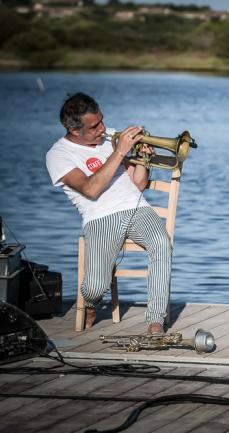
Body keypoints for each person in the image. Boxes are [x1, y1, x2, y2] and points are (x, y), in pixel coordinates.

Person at [46, 93, 170, 334]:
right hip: (100, 216)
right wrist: (120, 153)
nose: (103, 129)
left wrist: (142, 158)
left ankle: (155, 320)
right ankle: (91, 304)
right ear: (74, 130)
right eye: (94, 126)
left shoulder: (110, 139)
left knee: (162, 244)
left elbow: (138, 184)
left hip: (137, 207)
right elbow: (90, 190)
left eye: (102, 120)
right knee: (94, 287)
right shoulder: (58, 155)